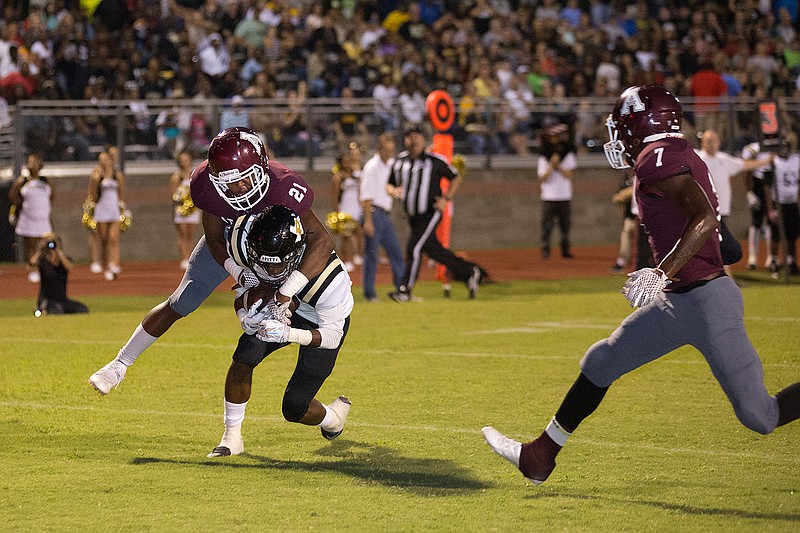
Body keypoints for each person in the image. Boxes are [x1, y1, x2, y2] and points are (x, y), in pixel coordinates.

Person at [482, 84, 800, 485]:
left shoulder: (657, 158)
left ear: (643, 124)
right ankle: (540, 456)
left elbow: (703, 219)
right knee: (602, 361)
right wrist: (692, 257)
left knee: (760, 416)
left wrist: (661, 271)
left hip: (707, 303)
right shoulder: (680, 155)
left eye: (622, 126)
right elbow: (726, 242)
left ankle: (541, 455)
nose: (617, 137)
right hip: (677, 302)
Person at [88, 127, 336, 396]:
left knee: (304, 307)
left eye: (244, 179)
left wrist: (287, 289)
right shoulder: (206, 186)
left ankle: (310, 391)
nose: (236, 188)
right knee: (182, 300)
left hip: (277, 251)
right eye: (228, 182)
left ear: (261, 168)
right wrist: (238, 273)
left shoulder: (284, 186)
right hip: (232, 244)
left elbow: (322, 241)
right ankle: (119, 364)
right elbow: (215, 239)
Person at [208, 206, 352, 457]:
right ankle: (232, 437)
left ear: (296, 254)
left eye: (278, 266)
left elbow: (332, 337)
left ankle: (333, 418)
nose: (271, 273)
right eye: (264, 264)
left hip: (319, 323)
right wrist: (245, 317)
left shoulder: (329, 279)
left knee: (295, 408)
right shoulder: (254, 253)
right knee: (244, 356)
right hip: (283, 309)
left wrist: (287, 334)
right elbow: (246, 296)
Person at [386, 125, 485, 301]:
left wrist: (446, 199)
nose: (414, 140)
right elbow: (389, 184)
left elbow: (455, 176)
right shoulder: (399, 161)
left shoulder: (434, 161)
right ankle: (470, 271)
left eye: (418, 136)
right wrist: (393, 191)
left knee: (414, 249)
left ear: (424, 140)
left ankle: (404, 290)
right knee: (434, 251)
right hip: (412, 216)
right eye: (410, 136)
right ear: (405, 140)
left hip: (430, 212)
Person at [696, 129, 771, 276]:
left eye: (713, 140)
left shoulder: (723, 159)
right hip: (707, 210)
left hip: (722, 210)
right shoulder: (698, 158)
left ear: (719, 142)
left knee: (720, 247)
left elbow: (743, 164)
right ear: (702, 142)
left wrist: (766, 161)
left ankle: (722, 277)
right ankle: (723, 277)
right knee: (720, 247)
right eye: (708, 141)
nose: (711, 144)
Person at [359, 132, 405, 302]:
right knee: (371, 255)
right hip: (373, 213)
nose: (388, 154)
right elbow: (366, 196)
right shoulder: (372, 167)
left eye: (391, 151)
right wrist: (368, 221)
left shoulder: (391, 164)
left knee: (396, 253)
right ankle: (369, 293)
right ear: (379, 149)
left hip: (384, 214)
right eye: (386, 151)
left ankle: (401, 289)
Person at [9, 152, 51, 283]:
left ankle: (43, 267)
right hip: (28, 217)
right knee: (31, 244)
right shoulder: (22, 181)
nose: (31, 164)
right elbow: (13, 195)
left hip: (43, 218)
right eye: (29, 161)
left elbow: (52, 196)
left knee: (45, 243)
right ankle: (33, 268)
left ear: (40, 165)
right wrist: (22, 206)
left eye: (34, 161)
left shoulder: (45, 181)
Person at [537, 123, 577, 259]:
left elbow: (569, 175)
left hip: (564, 195)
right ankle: (545, 250)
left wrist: (558, 165)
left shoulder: (568, 155)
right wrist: (551, 165)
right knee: (546, 226)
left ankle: (565, 250)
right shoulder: (543, 157)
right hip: (548, 196)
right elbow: (542, 178)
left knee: (565, 226)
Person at [87, 150, 126, 281]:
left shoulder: (117, 175)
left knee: (113, 238)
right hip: (101, 210)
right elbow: (92, 194)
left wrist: (122, 207)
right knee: (104, 240)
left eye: (106, 159)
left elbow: (120, 193)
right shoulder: (96, 176)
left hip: (114, 210)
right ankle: (105, 263)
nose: (104, 162)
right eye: (101, 159)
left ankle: (113, 264)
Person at [765, 137, 800, 276]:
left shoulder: (796, 160)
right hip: (778, 203)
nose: (784, 151)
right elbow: (767, 187)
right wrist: (770, 209)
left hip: (792, 203)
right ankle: (774, 261)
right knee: (776, 235)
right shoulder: (773, 162)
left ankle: (792, 262)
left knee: (792, 235)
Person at [32, 232, 88, 316]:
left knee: (83, 309)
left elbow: (70, 267)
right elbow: (32, 263)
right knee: (57, 311)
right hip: (47, 300)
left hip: (62, 300)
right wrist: (41, 250)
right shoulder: (43, 260)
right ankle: (44, 310)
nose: (51, 244)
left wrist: (58, 252)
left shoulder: (64, 260)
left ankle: (46, 311)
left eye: (53, 241)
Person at [742, 140, 776, 270]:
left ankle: (771, 257)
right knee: (756, 221)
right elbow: (747, 170)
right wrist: (749, 192)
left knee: (771, 222)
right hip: (758, 186)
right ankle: (752, 257)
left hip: (773, 184)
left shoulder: (777, 145)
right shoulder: (752, 148)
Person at [330, 148, 363, 272]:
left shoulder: (355, 176)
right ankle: (347, 260)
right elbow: (334, 196)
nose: (348, 163)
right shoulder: (338, 178)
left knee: (359, 233)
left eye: (349, 161)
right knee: (346, 237)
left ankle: (357, 256)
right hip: (344, 209)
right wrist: (337, 212)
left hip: (356, 208)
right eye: (345, 161)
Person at [170, 150, 201, 270]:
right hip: (181, 210)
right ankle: (183, 259)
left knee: (190, 235)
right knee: (182, 235)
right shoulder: (177, 176)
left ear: (190, 161)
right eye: (181, 161)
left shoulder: (194, 174)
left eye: (186, 160)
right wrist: (181, 198)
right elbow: (172, 194)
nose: (184, 163)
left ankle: (190, 258)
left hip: (193, 209)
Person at [610, 171, 637, 273]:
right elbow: (616, 198)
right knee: (626, 234)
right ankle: (622, 261)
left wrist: (632, 191)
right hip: (631, 217)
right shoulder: (627, 182)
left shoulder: (645, 177)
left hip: (646, 219)